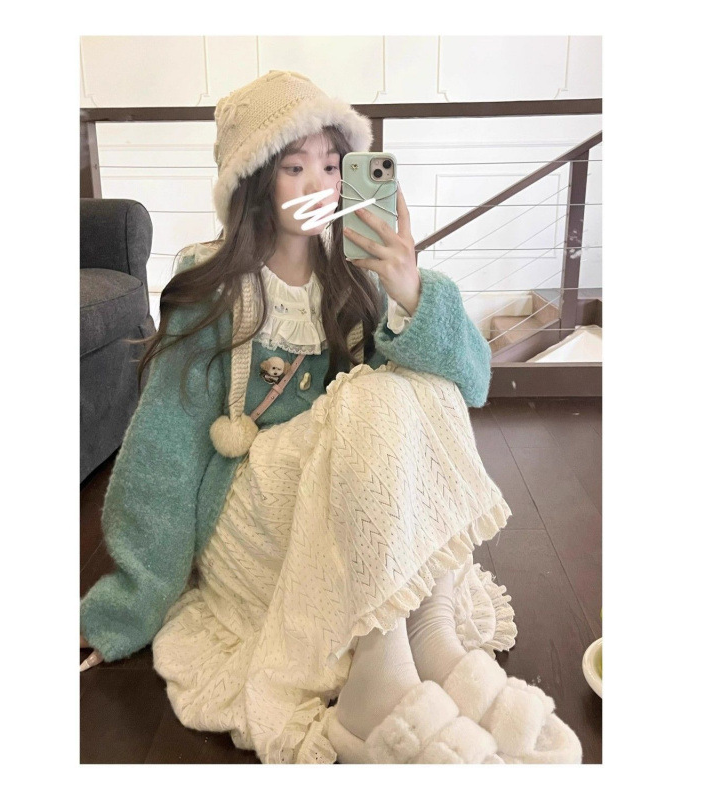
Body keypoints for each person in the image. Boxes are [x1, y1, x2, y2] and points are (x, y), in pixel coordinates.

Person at [80, 70, 582, 764]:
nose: (318, 183)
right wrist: (131, 602)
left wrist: (409, 288)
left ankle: (429, 642)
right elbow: (162, 450)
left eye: (330, 164)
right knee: (378, 395)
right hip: (253, 515)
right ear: (254, 182)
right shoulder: (213, 290)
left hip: (339, 500)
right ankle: (381, 672)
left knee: (423, 386)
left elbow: (468, 385)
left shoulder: (356, 277)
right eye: (294, 167)